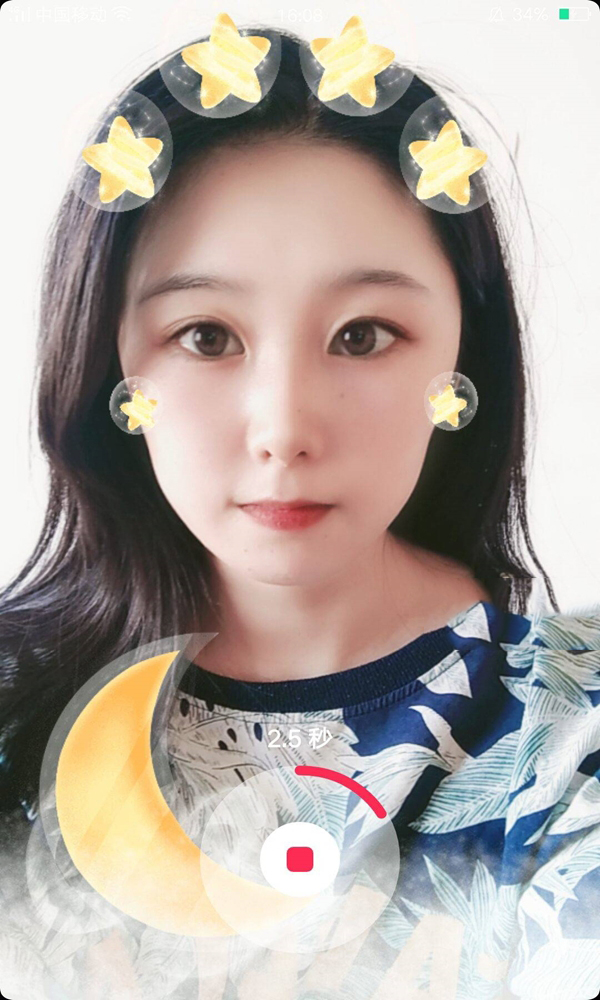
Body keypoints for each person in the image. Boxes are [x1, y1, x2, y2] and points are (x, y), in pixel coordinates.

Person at [0, 21, 598, 1000]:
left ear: (464, 355)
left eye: (363, 335)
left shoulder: (572, 737)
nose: (283, 429)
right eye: (206, 336)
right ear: (111, 365)